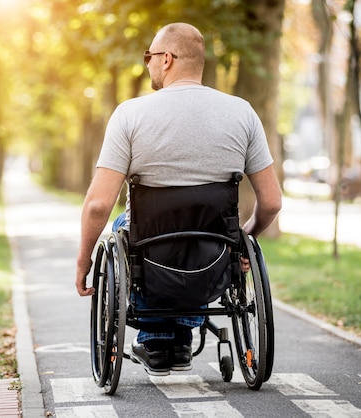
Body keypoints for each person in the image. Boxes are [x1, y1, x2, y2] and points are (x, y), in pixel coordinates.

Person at [76, 22, 282, 376]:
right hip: (214, 249)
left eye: (149, 57)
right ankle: (180, 337)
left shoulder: (130, 115)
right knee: (199, 238)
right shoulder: (242, 113)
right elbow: (273, 202)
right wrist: (245, 238)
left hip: (151, 248)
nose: (149, 64)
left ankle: (158, 340)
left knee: (123, 229)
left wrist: (84, 260)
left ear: (166, 59)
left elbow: (98, 204)